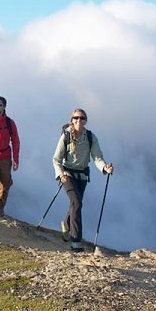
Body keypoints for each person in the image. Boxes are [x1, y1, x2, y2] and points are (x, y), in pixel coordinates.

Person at [52, 108, 114, 252]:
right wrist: (61, 174)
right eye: (76, 118)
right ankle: (76, 241)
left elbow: (97, 157)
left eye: (82, 118)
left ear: (85, 121)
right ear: (72, 120)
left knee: (75, 203)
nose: (79, 121)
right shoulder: (66, 136)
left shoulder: (91, 137)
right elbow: (56, 159)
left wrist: (105, 168)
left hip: (82, 176)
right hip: (67, 174)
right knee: (77, 202)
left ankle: (66, 224)